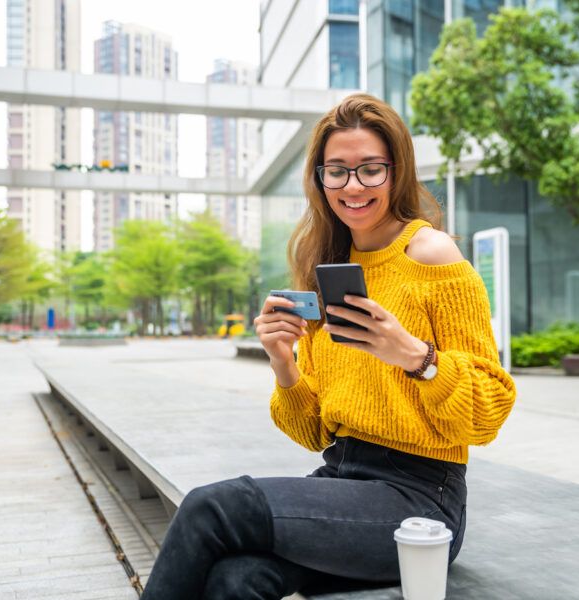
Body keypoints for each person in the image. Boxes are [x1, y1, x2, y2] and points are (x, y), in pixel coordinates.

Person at [140, 93, 517, 600]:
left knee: (212, 507)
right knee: (236, 581)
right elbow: (314, 430)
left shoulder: (432, 256)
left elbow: (488, 414)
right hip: (342, 479)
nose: (353, 186)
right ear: (319, 179)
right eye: (336, 171)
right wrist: (283, 363)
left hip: (420, 498)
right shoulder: (330, 272)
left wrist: (415, 357)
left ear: (397, 171)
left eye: (370, 170)